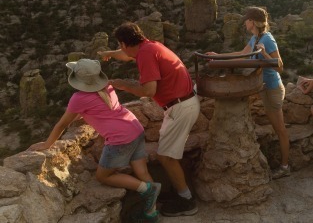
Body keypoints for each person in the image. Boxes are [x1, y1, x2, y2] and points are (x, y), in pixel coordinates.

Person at [28, 59, 161, 223]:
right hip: (135, 128)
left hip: (120, 139)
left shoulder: (79, 98)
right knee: (142, 172)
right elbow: (97, 109)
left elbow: (62, 124)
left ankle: (146, 189)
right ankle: (151, 213)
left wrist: (47, 144)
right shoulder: (107, 86)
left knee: (103, 177)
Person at [98, 22, 200, 217]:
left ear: (124, 43)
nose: (121, 50)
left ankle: (186, 200)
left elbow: (148, 91)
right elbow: (126, 55)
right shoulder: (149, 46)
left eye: (120, 45)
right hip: (183, 102)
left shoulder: (145, 54)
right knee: (166, 155)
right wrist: (109, 53)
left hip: (180, 107)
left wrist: (122, 84)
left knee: (166, 157)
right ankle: (180, 193)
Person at [205, 6, 290, 179]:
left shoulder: (267, 39)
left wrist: (265, 53)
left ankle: (285, 166)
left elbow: (280, 66)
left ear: (253, 22)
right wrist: (218, 56)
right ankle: (282, 162)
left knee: (280, 129)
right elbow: (242, 54)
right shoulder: (255, 37)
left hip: (272, 88)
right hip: (265, 87)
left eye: (247, 19)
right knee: (276, 127)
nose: (244, 22)